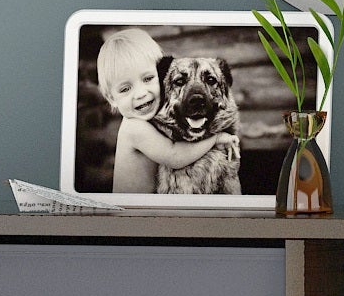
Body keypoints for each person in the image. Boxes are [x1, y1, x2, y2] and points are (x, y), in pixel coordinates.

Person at [93, 28, 239, 194]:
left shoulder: (148, 120)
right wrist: (216, 138)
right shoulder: (134, 128)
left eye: (148, 79)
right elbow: (175, 156)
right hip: (132, 213)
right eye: (125, 88)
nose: (141, 94)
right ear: (111, 98)